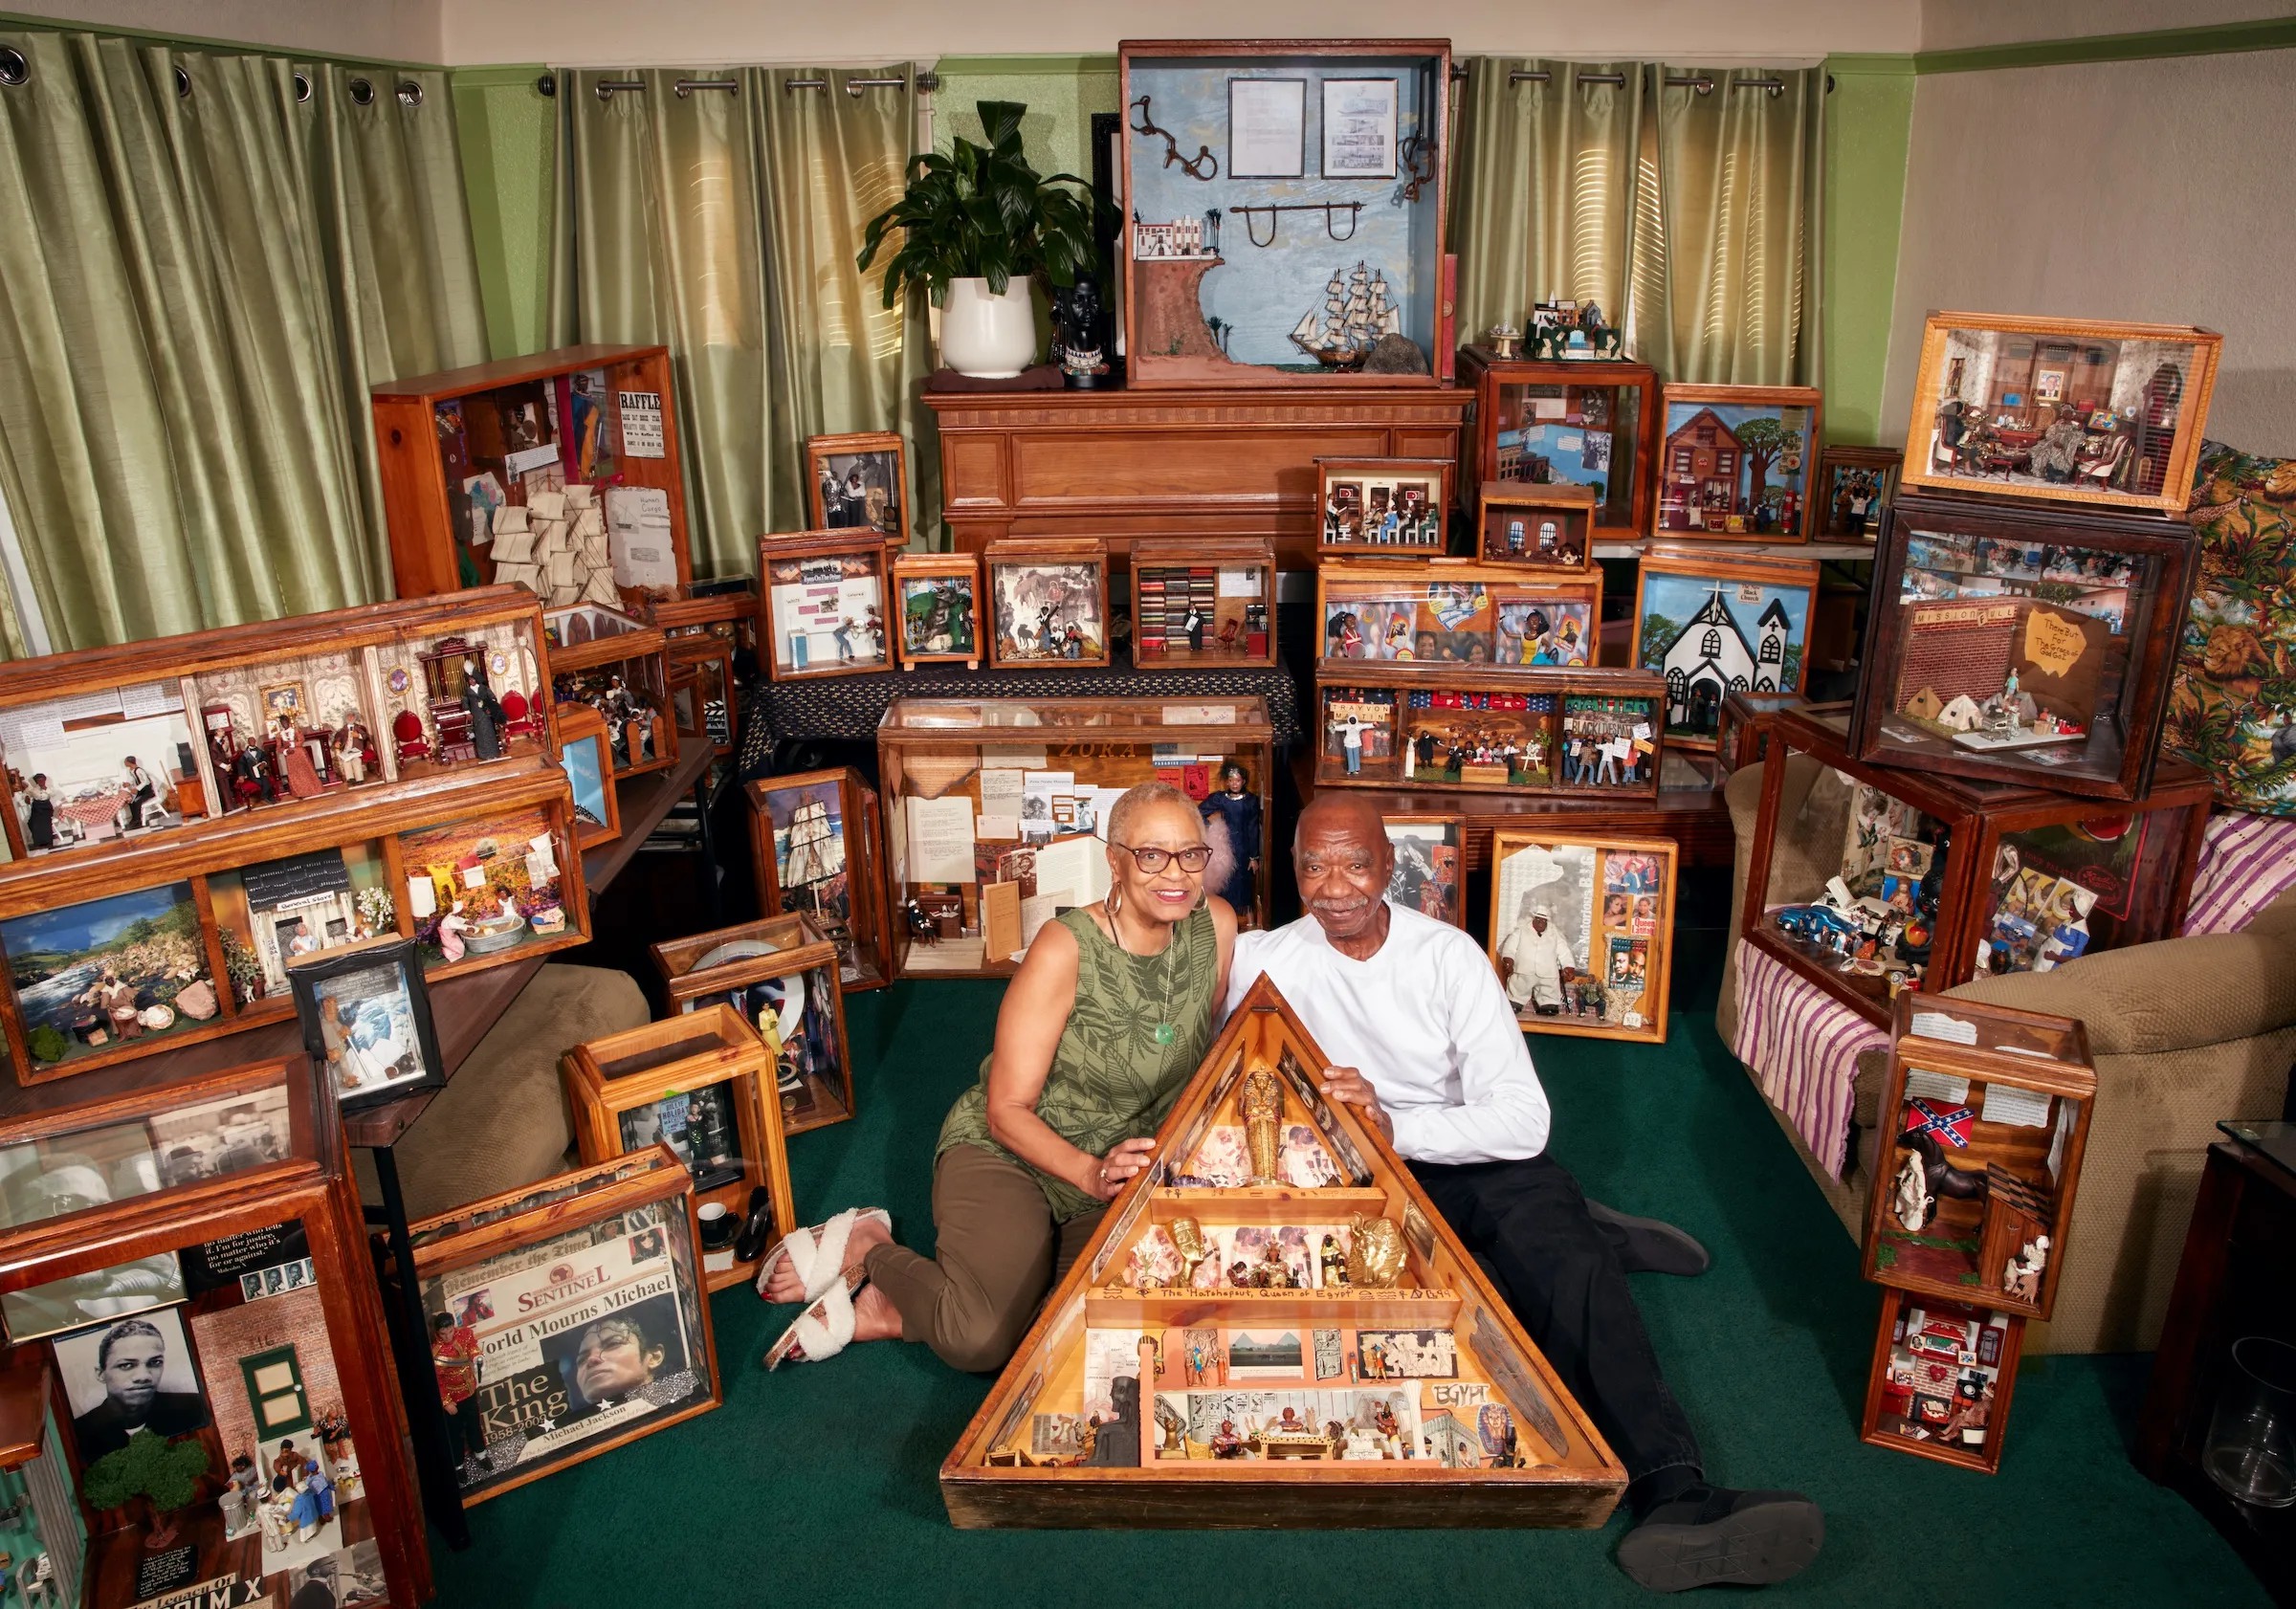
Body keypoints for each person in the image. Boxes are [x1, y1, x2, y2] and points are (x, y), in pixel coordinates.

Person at [1222, 796, 1821, 1592]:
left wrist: (1399, 1128)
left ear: (1390, 865)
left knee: (1562, 1268)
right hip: (1349, 1178)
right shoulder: (1265, 959)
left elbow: (1521, 1121)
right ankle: (1590, 1228)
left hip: (1467, 1153)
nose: (1335, 887)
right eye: (1313, 866)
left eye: (1356, 863)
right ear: (1289, 870)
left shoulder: (1450, 957)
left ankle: (1676, 1491)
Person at [761, 782, 1238, 1371]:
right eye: (1151, 855)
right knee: (979, 1341)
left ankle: (908, 1308)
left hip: (1121, 1172)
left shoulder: (1215, 927)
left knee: (1082, 1347)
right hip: (1016, 1151)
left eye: (1191, 854)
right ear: (1114, 860)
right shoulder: (1064, 949)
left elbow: (1196, 1048)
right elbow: (1005, 1110)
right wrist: (1089, 1173)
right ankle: (872, 1247)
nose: (1176, 873)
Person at [72, 1318, 208, 1460]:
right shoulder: (80, 1432)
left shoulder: (194, 1407)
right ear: (101, 1374)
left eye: (155, 1362)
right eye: (126, 1365)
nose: (144, 1376)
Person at [1198, 764, 1261, 926]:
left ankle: (1250, 923)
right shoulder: (1220, 798)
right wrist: (1212, 826)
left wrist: (1253, 856)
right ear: (1227, 782)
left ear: (1244, 781)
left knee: (1243, 884)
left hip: (1244, 848)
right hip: (1225, 846)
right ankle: (1224, 921)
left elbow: (1253, 828)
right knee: (1224, 881)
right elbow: (1199, 812)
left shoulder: (1250, 801)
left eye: (1238, 780)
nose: (1234, 784)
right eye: (1231, 780)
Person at [430, 1310, 486, 1478]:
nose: (448, 1336)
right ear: (437, 1333)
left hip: (468, 1392)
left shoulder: (465, 1335)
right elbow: (437, 1381)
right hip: (452, 1400)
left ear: (454, 1327)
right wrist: (446, 1402)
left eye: (450, 1331)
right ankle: (458, 1466)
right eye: (443, 1333)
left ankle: (481, 1454)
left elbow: (472, 1348)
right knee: (454, 1434)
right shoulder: (435, 1351)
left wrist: (477, 1358)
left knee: (474, 1426)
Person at [1497, 903, 1577, 1016]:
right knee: (1518, 987)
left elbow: (1564, 952)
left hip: (1548, 972)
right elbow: (1510, 947)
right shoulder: (1521, 931)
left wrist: (1568, 966)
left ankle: (1548, 1003)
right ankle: (1515, 1002)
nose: (1541, 922)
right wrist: (1508, 960)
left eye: (1544, 920)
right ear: (1533, 919)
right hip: (1523, 970)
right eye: (1538, 919)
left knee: (1549, 988)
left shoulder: (1554, 935)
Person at [22, 772, 53, 849]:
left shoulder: (49, 788)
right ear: (36, 781)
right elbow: (27, 793)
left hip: (46, 807)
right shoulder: (34, 789)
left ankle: (48, 841)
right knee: (33, 823)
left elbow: (52, 794)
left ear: (45, 780)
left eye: (42, 780)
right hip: (36, 807)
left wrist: (45, 788)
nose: (41, 782)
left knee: (45, 823)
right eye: (39, 781)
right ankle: (38, 842)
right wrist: (27, 797)